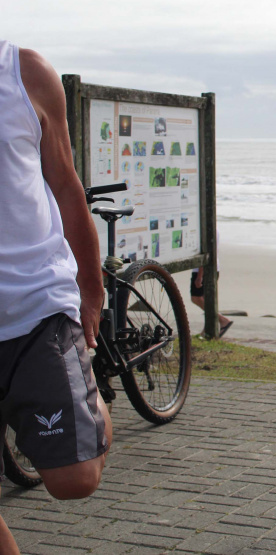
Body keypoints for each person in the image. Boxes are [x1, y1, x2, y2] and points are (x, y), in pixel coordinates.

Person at [0, 41, 112, 553]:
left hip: (35, 306)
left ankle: (87, 401)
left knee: (75, 480)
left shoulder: (23, 71)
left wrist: (90, 290)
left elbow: (66, 185)